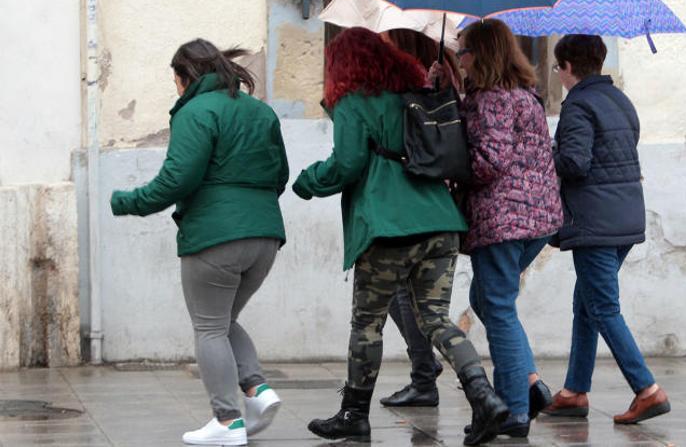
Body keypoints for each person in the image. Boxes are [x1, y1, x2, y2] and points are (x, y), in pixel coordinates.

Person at [293, 27, 509, 446]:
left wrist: (308, 182)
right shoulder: (416, 92)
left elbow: (348, 164)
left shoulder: (352, 103)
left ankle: (354, 414)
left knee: (367, 323)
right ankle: (484, 398)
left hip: (388, 225)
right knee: (436, 320)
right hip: (439, 222)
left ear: (342, 65)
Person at [110, 39, 288, 446]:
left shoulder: (195, 112)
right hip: (265, 238)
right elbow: (280, 174)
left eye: (175, 80)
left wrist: (127, 202)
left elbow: (178, 179)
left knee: (209, 327)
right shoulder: (259, 111)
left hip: (214, 237)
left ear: (184, 76)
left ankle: (227, 422)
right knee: (222, 322)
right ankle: (257, 391)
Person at [443, 19, 563, 438]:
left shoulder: (492, 99)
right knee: (488, 298)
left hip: (503, 220)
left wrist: (451, 170)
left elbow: (489, 160)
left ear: (482, 54)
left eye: (463, 52)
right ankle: (529, 385)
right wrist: (454, 96)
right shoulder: (523, 95)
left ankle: (513, 409)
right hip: (538, 219)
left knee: (498, 307)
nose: (460, 60)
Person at [542, 34, 671, 423]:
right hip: (624, 217)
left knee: (602, 307)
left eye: (557, 68)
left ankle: (647, 389)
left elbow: (576, 164)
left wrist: (547, 152)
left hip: (594, 220)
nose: (558, 74)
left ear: (567, 68)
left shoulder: (578, 106)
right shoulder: (620, 100)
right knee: (586, 304)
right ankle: (574, 391)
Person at [368, 28, 462, 409]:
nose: (384, 44)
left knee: (407, 294)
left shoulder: (427, 85)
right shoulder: (434, 79)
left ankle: (425, 374)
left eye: (390, 40)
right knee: (401, 294)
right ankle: (424, 368)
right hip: (431, 199)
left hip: (418, 196)